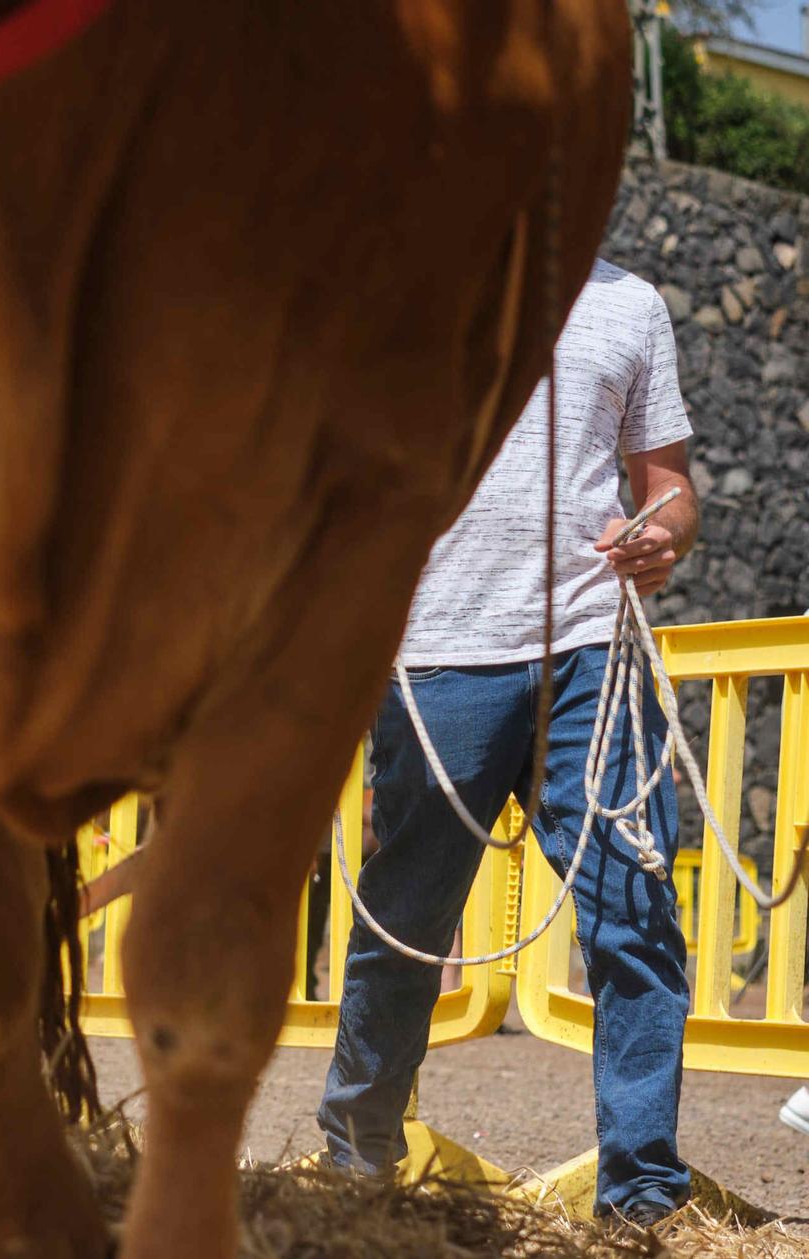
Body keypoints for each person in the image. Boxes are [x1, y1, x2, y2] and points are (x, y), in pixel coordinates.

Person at [318, 259, 701, 1228]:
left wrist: (661, 535)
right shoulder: (408, 276)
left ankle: (643, 1193)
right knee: (402, 920)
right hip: (438, 648)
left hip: (590, 647)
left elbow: (669, 489)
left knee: (634, 909)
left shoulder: (629, 304)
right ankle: (352, 1165)